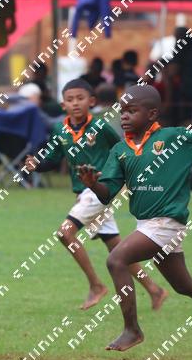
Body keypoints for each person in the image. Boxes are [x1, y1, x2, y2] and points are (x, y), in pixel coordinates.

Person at [23, 78, 166, 311]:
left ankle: (96, 286)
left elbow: (122, 148)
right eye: (70, 99)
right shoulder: (60, 129)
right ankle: (154, 289)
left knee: (65, 233)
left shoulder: (101, 127)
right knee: (116, 249)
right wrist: (36, 165)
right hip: (84, 193)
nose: (75, 103)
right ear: (63, 105)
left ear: (91, 101)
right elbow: (53, 158)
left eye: (80, 98)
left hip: (99, 190)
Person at [78, 84, 192, 351]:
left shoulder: (175, 138)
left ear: (152, 114)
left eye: (132, 111)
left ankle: (132, 330)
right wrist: (93, 184)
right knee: (184, 285)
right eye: (122, 111)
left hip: (167, 222)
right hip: (147, 224)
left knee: (116, 260)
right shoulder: (120, 150)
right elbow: (107, 193)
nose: (124, 116)